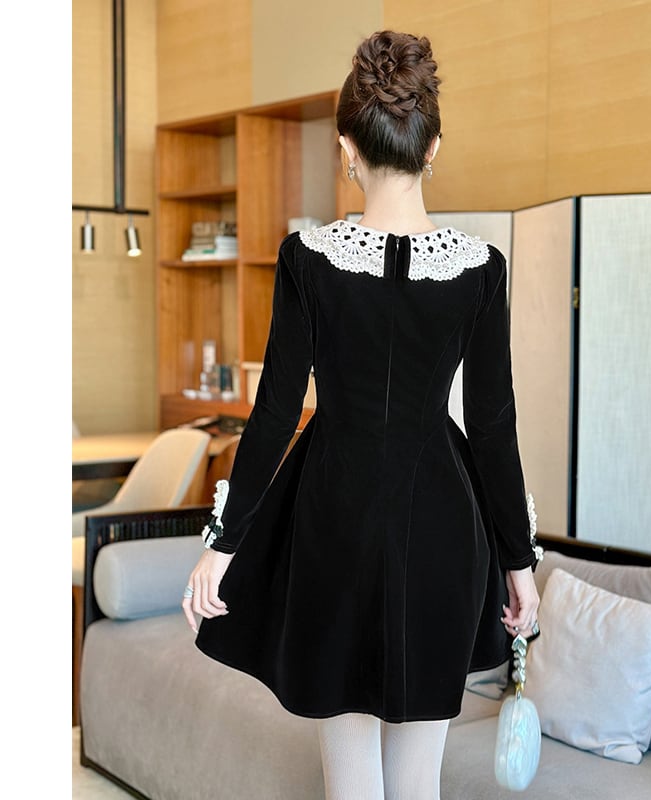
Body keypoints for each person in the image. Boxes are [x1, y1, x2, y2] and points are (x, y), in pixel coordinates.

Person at [182, 29, 541, 800]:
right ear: (432, 147)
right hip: (443, 529)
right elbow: (493, 427)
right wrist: (520, 564)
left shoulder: (307, 260)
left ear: (347, 147)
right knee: (419, 784)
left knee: (351, 786)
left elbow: (275, 412)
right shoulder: (481, 270)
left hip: (333, 525)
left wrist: (222, 543)